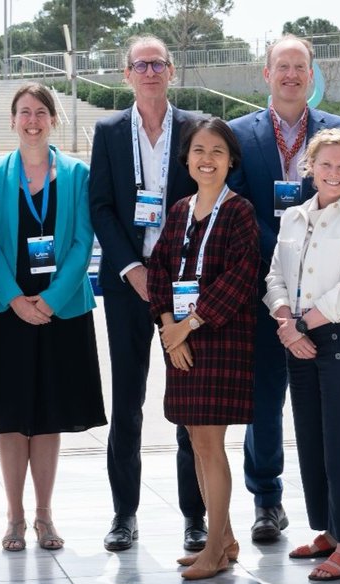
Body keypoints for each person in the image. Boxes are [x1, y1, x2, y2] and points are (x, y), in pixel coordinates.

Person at [227, 34, 340, 543]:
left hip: (325, 300)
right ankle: (266, 500)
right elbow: (237, 208)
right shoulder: (239, 134)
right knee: (263, 401)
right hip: (262, 288)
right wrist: (285, 243)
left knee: (323, 406)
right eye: (280, 67)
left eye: (298, 67)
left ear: (312, 74)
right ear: (267, 75)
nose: (290, 75)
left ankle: (327, 511)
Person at [0, 83, 106, 552]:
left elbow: (82, 242)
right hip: (5, 311)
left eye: (41, 112)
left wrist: (47, 300)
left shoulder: (75, 174)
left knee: (48, 416)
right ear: (13, 121)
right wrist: (14, 299)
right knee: (12, 417)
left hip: (60, 311)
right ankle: (13, 518)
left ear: (53, 119)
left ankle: (45, 517)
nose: (32, 120)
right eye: (24, 112)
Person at [88, 34, 207, 552]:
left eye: (159, 63)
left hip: (183, 286)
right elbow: (101, 207)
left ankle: (195, 516)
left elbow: (213, 195)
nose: (151, 71)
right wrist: (131, 267)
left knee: (187, 400)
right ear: (126, 74)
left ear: (172, 70)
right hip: (130, 286)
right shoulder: (110, 131)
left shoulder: (197, 127)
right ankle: (123, 514)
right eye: (141, 64)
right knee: (128, 400)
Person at [265, 129, 340, 581]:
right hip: (297, 338)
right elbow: (276, 275)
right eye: (326, 165)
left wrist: (297, 325)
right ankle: (330, 532)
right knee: (313, 441)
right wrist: (283, 320)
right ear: (309, 167)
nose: (333, 174)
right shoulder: (293, 217)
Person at [147, 118, 259, 580]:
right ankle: (225, 537)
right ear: (186, 159)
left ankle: (214, 548)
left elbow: (241, 277)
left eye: (216, 151)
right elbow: (159, 271)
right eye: (198, 150)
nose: (206, 158)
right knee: (195, 441)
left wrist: (189, 324)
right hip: (183, 340)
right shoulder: (179, 211)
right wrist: (168, 327)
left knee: (211, 445)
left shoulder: (240, 212)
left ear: (231, 160)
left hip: (221, 338)